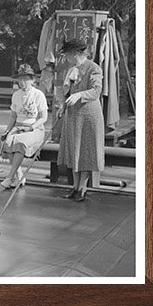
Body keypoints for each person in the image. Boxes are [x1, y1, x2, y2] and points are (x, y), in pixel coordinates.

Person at [56, 37, 105, 201]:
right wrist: (63, 104)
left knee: (84, 150)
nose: (67, 58)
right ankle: (75, 187)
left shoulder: (94, 68)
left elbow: (96, 91)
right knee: (73, 149)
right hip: (73, 115)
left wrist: (79, 94)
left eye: (69, 54)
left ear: (77, 53)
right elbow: (67, 92)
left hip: (88, 115)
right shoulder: (71, 69)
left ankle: (82, 188)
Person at [0, 65, 48, 190]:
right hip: (19, 127)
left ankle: (10, 176)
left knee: (19, 142)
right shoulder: (16, 95)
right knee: (8, 141)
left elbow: (43, 117)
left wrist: (31, 127)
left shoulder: (38, 95)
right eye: (20, 79)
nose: (23, 82)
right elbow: (13, 116)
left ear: (32, 80)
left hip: (35, 128)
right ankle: (19, 174)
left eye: (26, 79)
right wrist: (7, 130)